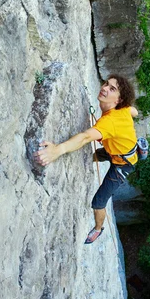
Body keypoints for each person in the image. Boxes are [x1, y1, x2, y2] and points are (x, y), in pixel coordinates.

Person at [33, 74, 138, 244]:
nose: (104, 88)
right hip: (116, 150)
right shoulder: (124, 108)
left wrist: (57, 150)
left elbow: (85, 138)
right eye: (106, 84)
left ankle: (98, 229)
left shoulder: (110, 122)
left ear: (119, 100)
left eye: (112, 89)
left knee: (98, 202)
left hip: (122, 165)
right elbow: (134, 111)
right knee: (93, 156)